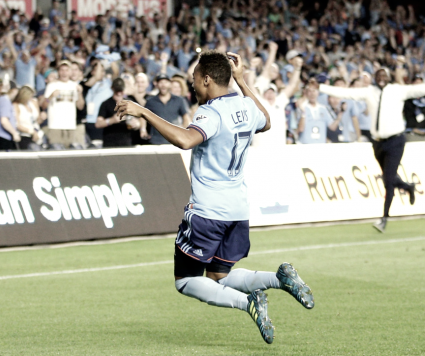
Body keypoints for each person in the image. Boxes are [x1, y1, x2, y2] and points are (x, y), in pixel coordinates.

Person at [115, 51, 314, 344]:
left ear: (207, 79)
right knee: (219, 276)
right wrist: (242, 79)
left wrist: (143, 111)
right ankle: (278, 279)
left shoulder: (210, 112)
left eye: (195, 78)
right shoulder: (244, 104)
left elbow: (185, 139)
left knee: (186, 281)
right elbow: (266, 121)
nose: (193, 84)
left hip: (208, 210)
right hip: (237, 210)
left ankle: (249, 303)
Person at [318, 58, 425, 233]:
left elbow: (420, 89)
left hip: (395, 141)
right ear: (375, 78)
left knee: (388, 181)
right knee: (389, 177)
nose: (381, 78)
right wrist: (320, 88)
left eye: (384, 75)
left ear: (389, 77)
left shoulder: (397, 91)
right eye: (378, 75)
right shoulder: (370, 92)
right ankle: (408, 187)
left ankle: (384, 218)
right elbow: (346, 93)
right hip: (377, 143)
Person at [43, 60, 84, 146]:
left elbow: (80, 107)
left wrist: (80, 93)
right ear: (58, 72)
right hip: (55, 126)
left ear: (70, 72)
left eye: (66, 70)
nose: (64, 73)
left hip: (71, 126)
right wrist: (51, 96)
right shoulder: (51, 85)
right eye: (61, 70)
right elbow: (43, 105)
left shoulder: (74, 85)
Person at [144, 74, 190, 145]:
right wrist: (143, 130)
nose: (163, 85)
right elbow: (143, 116)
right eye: (161, 82)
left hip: (175, 139)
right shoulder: (150, 101)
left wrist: (183, 129)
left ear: (170, 84)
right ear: (157, 85)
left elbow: (186, 117)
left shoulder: (179, 100)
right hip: (156, 140)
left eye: (165, 82)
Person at [95, 78, 140, 147]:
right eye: (117, 91)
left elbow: (140, 120)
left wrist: (137, 124)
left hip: (126, 142)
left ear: (124, 89)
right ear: (112, 89)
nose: (119, 93)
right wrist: (112, 120)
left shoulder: (130, 103)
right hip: (110, 142)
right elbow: (98, 124)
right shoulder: (106, 104)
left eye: (121, 90)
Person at [297, 79, 342, 144]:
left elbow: (332, 127)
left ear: (318, 92)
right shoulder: (302, 107)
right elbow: (300, 129)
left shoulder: (324, 108)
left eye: (314, 91)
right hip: (305, 144)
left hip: (320, 144)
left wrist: (340, 113)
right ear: (306, 93)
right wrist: (303, 113)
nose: (312, 94)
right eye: (309, 91)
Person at [0, 81, 20, 150]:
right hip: (3, 138)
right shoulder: (5, 100)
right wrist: (14, 133)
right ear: (13, 90)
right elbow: (4, 121)